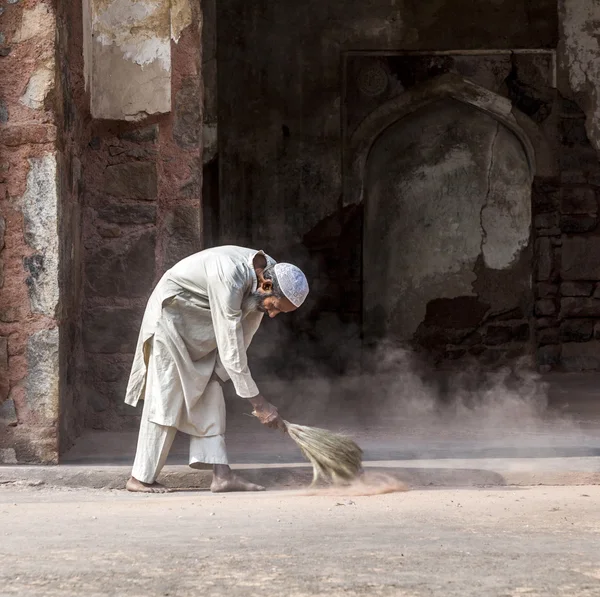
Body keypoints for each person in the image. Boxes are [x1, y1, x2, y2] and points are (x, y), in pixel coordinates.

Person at [124, 245, 309, 493]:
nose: (273, 315)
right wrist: (259, 403)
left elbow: (246, 331)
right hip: (171, 322)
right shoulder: (229, 276)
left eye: (279, 311)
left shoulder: (270, 273)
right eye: (275, 306)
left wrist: (222, 373)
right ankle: (140, 478)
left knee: (211, 390)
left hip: (202, 329)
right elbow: (231, 341)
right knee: (165, 397)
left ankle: (222, 475)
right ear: (266, 286)